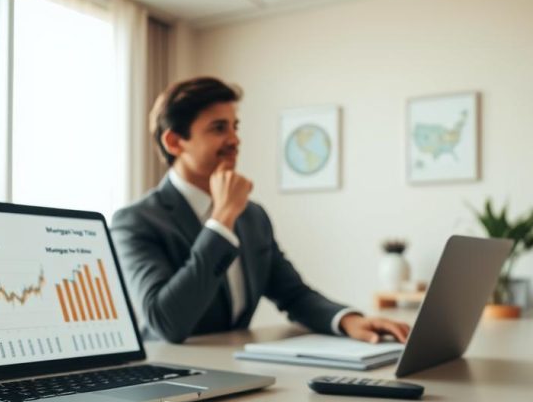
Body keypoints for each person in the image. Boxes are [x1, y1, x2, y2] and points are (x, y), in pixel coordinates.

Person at [112, 76, 410, 344]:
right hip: (169, 375)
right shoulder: (136, 221)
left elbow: (293, 294)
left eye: (234, 126)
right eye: (219, 128)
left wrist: (349, 320)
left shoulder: (253, 215)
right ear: (175, 142)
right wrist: (221, 221)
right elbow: (167, 323)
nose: (235, 140)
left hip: (235, 371)